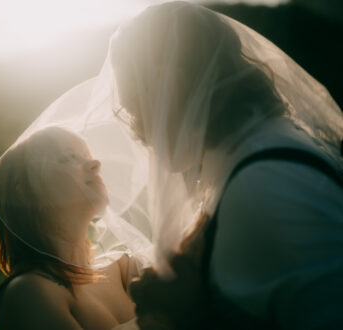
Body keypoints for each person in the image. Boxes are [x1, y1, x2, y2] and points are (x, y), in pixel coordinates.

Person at [107, 1, 343, 329]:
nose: (135, 129)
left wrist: (189, 317)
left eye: (133, 106)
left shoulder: (266, 183)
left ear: (169, 86)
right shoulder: (239, 161)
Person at [0, 127, 138, 330]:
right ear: (22, 194)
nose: (96, 164)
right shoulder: (30, 294)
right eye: (68, 158)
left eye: (88, 156)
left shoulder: (123, 268)